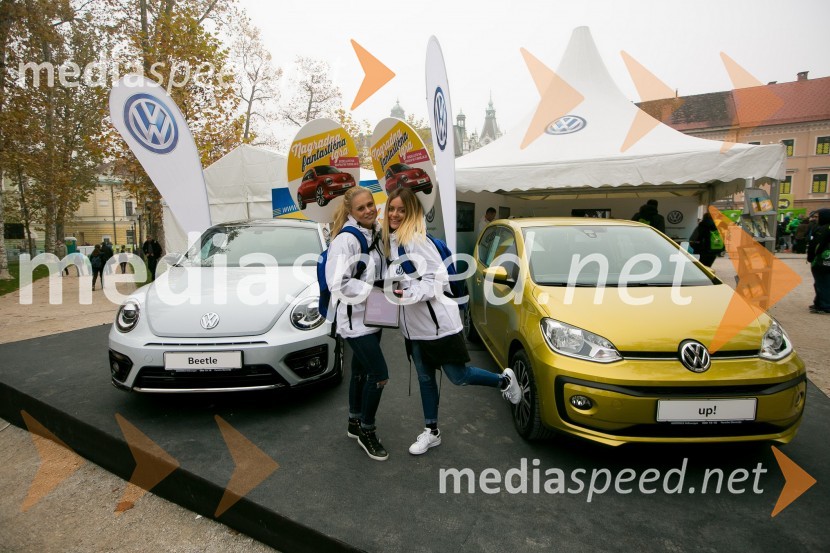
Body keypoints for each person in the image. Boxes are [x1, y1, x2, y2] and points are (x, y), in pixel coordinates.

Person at [382, 188, 521, 456]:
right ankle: (431, 431)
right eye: (391, 208)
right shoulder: (393, 242)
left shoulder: (418, 241)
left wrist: (407, 295)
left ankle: (503, 381)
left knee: (459, 376)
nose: (395, 214)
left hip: (439, 327)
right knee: (425, 379)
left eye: (401, 209)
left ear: (412, 212)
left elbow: (439, 279)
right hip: (414, 329)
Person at [325, 186, 391, 461]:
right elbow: (337, 282)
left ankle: (354, 421)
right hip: (354, 322)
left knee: (361, 371)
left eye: (370, 204)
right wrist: (371, 290)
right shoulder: (345, 241)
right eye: (361, 208)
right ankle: (367, 429)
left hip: (373, 316)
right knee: (380, 375)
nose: (368, 210)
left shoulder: (376, 231)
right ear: (351, 212)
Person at [806, 208, 830, 314]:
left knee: (822, 282)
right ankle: (820, 302)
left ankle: (825, 305)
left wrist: (810, 257)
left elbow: (817, 245)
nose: (815, 219)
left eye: (817, 217)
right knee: (823, 282)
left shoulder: (824, 229)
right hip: (826, 260)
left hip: (822, 260)